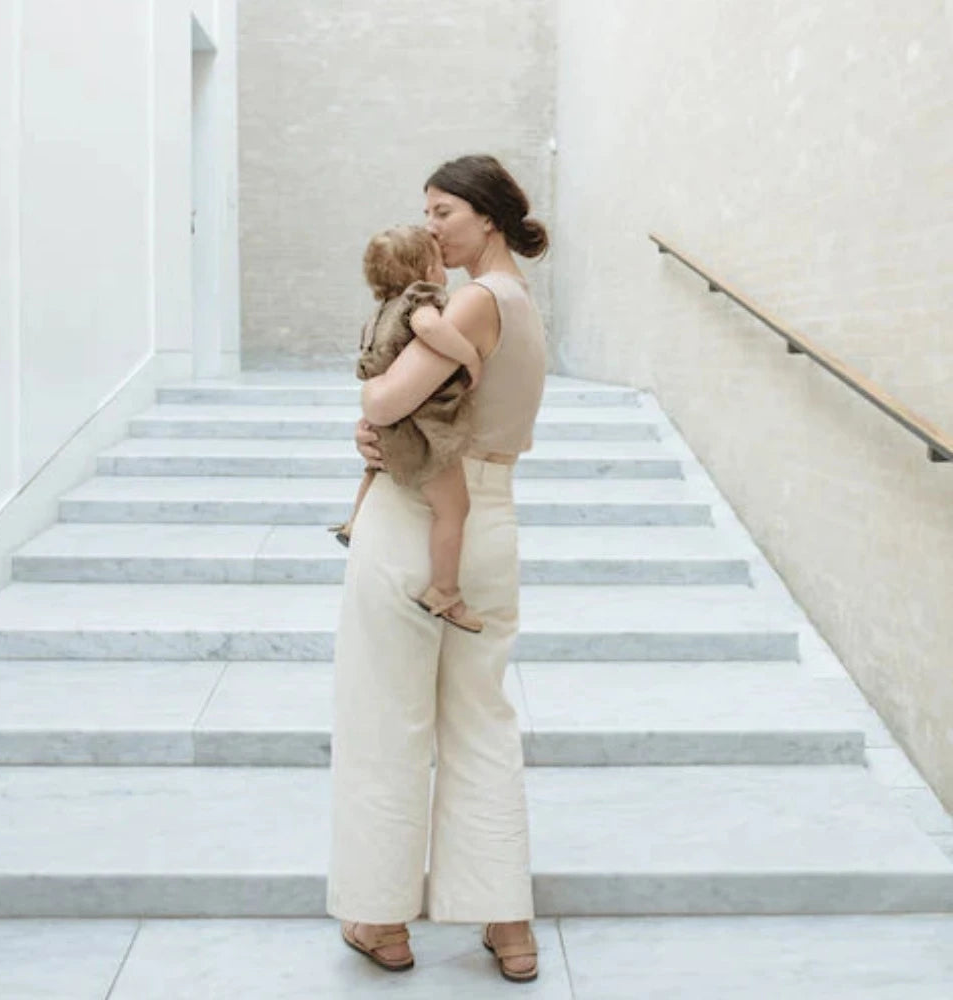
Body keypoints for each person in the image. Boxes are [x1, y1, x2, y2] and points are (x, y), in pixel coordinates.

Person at [327, 154, 548, 984]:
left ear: (488, 216)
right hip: (488, 520)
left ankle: (383, 921)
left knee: (387, 718)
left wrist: (368, 417)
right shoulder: (521, 303)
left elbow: (386, 401)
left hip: (414, 516)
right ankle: (509, 926)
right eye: (425, 212)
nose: (431, 226)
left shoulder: (469, 301)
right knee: (481, 721)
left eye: (444, 210)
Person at [330, 225, 485, 633]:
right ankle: (445, 593)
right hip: (418, 431)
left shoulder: (380, 311)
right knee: (453, 509)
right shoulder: (420, 300)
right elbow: (430, 328)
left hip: (387, 428)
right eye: (437, 260)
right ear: (428, 269)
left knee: (374, 467)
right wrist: (469, 356)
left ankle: (353, 523)